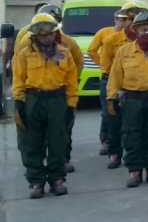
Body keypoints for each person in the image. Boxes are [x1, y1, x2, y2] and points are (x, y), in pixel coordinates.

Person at [12, 13, 78, 199]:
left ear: (55, 33)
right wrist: (19, 103)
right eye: (41, 34)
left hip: (57, 100)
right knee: (30, 142)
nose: (46, 37)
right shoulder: (24, 53)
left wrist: (71, 105)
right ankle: (36, 181)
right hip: (33, 99)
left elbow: (71, 81)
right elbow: (18, 79)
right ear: (34, 35)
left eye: (49, 33)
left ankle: (57, 179)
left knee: (58, 141)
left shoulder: (64, 53)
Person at [106, 11, 148, 187]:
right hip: (132, 99)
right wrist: (112, 98)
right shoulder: (124, 51)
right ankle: (134, 171)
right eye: (144, 29)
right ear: (136, 31)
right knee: (132, 135)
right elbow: (115, 76)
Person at [99, 1, 148, 169]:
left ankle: (136, 156)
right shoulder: (111, 40)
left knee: (136, 124)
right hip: (116, 84)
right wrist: (115, 91)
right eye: (129, 19)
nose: (133, 23)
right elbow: (106, 68)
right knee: (113, 120)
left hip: (139, 88)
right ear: (123, 21)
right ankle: (115, 153)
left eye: (136, 19)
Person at [88, 10, 123, 155]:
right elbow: (92, 50)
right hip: (108, 77)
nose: (123, 22)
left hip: (126, 77)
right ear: (115, 19)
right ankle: (106, 140)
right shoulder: (104, 33)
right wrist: (103, 64)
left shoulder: (132, 36)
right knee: (108, 111)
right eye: (120, 19)